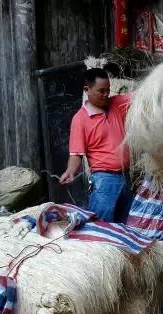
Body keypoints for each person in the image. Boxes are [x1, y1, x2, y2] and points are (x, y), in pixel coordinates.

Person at [59, 68, 133, 222]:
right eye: (101, 91)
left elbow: (144, 97)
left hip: (125, 178)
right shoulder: (80, 119)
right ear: (87, 90)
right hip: (104, 182)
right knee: (101, 228)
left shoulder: (117, 104)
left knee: (126, 228)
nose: (106, 95)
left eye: (108, 90)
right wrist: (70, 171)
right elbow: (76, 155)